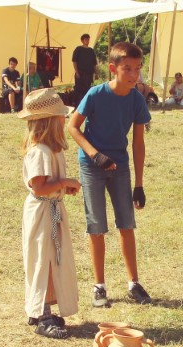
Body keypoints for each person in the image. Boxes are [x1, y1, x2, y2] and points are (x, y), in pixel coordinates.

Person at [68, 41, 153, 308]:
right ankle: (99, 287)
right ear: (113, 69)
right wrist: (95, 155)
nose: (133, 74)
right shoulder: (95, 94)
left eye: (137, 68)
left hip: (119, 166)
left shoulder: (136, 99)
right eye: (127, 68)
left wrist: (139, 185)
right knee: (97, 226)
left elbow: (138, 143)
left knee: (127, 224)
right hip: (92, 165)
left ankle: (134, 284)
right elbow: (72, 127)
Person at [18, 88, 80, 339]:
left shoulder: (51, 150)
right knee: (42, 260)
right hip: (42, 212)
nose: (64, 119)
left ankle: (42, 309)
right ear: (50, 122)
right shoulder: (40, 152)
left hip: (51, 209)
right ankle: (41, 316)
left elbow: (49, 185)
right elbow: (40, 187)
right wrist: (63, 182)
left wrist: (63, 188)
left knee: (54, 259)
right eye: (61, 116)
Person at [72, 33, 98, 106]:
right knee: (78, 89)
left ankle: (86, 105)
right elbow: (74, 61)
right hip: (80, 73)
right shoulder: (78, 49)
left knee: (87, 89)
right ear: (82, 40)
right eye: (86, 39)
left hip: (89, 74)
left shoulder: (91, 50)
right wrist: (77, 72)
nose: (87, 41)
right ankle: (76, 104)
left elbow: (94, 63)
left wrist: (96, 73)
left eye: (88, 39)